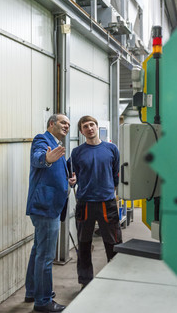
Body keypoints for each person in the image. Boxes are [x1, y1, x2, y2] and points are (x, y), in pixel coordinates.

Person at [25, 114, 76, 312]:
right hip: (45, 207)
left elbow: (53, 175)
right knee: (45, 257)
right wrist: (46, 158)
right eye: (63, 122)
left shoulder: (56, 145)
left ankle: (32, 291)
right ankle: (43, 301)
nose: (66, 126)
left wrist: (68, 182)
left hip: (48, 206)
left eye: (69, 124)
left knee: (38, 251)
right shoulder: (42, 139)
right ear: (51, 124)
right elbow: (38, 158)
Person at [70, 115, 122, 289]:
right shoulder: (77, 152)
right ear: (81, 131)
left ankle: (115, 279)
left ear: (97, 127)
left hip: (107, 203)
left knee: (113, 243)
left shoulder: (111, 149)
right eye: (85, 126)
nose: (89, 128)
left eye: (92, 124)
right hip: (85, 203)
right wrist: (72, 180)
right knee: (84, 244)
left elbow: (116, 174)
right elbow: (73, 174)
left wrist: (111, 191)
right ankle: (85, 282)